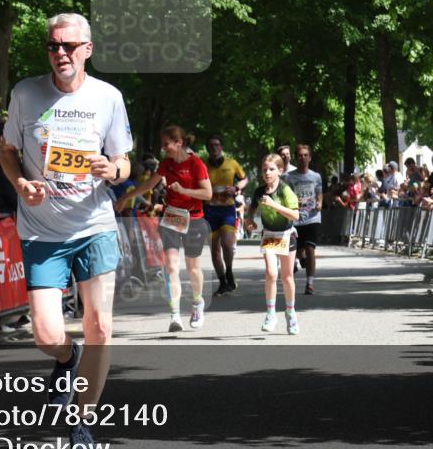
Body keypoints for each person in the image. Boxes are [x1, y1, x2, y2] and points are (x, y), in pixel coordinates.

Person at [0, 13, 132, 449]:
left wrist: (113, 169)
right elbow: (7, 152)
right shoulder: (25, 93)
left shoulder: (108, 97)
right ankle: (65, 357)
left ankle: (83, 420)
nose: (60, 53)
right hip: (42, 230)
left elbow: (124, 161)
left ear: (87, 50)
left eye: (69, 46)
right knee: (46, 334)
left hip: (93, 225)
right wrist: (20, 183)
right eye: (53, 46)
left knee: (100, 325)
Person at [117, 126, 212, 332]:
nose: (163, 148)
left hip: (194, 218)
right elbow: (149, 185)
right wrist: (126, 196)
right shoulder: (167, 164)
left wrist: (183, 190)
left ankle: (197, 303)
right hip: (172, 217)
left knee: (193, 268)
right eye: (163, 144)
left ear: (179, 143)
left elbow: (208, 194)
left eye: (166, 143)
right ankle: (175, 314)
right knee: (170, 266)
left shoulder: (196, 163)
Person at [244, 154, 300, 334]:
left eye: (271, 169)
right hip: (269, 234)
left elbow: (295, 215)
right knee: (270, 272)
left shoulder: (285, 190)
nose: (267, 173)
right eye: (264, 170)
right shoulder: (260, 192)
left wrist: (273, 205)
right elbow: (251, 210)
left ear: (280, 171)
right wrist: (249, 221)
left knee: (287, 277)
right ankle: (270, 313)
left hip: (286, 234)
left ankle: (290, 313)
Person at [203, 134, 247, 296]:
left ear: (221, 147)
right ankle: (223, 283)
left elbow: (245, 179)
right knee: (215, 251)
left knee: (227, 244)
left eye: (217, 145)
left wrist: (236, 188)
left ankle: (229, 270)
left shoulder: (232, 163)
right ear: (208, 148)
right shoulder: (202, 165)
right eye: (211, 145)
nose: (214, 148)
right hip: (209, 211)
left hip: (227, 209)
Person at [287, 145, 323, 295]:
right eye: (300, 155)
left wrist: (320, 202)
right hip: (295, 218)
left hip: (312, 217)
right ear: (296, 157)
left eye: (305, 155)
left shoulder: (315, 176)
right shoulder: (288, 177)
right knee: (297, 251)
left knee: (310, 249)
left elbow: (319, 192)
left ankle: (310, 283)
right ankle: (300, 257)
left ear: (310, 157)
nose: (303, 158)